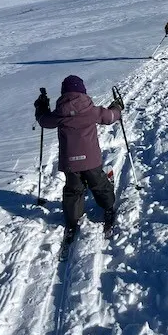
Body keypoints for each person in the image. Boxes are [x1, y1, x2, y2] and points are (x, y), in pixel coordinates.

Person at [34, 75, 123, 243]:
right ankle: (108, 207)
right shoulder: (91, 110)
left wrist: (41, 107)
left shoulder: (60, 113)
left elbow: (44, 121)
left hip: (70, 162)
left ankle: (73, 218)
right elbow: (111, 117)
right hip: (91, 160)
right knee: (99, 183)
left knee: (73, 189)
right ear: (83, 92)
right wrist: (117, 106)